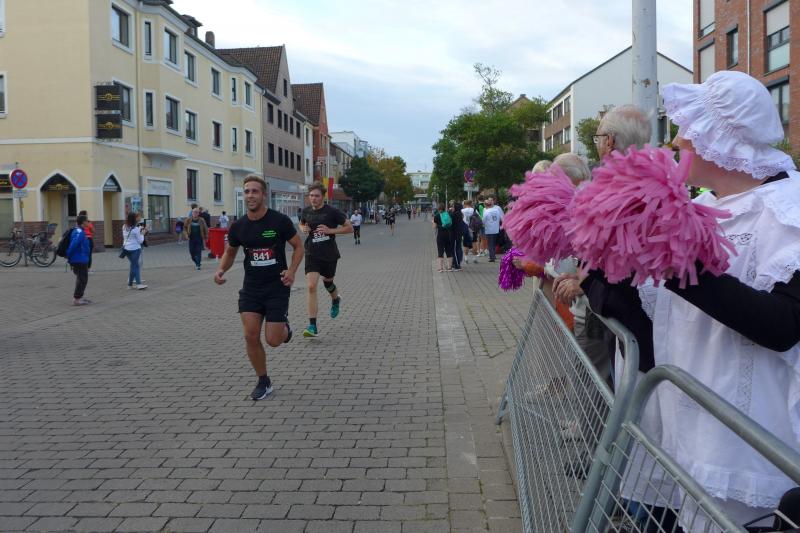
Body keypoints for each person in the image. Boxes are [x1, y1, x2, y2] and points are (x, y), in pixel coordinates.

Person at [215, 175, 304, 401]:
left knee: (273, 340)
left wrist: (292, 270)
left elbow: (298, 246)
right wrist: (221, 270)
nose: (250, 195)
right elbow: (230, 252)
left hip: (277, 288)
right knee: (250, 335)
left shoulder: (279, 221)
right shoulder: (238, 226)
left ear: (264, 195)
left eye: (255, 191)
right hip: (251, 289)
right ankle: (263, 381)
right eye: (246, 191)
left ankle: (285, 330)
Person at [299, 182, 353, 337]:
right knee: (311, 287)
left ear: (323, 197)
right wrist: (303, 228)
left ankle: (335, 300)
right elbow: (302, 224)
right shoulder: (306, 211)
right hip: (312, 253)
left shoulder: (332, 212)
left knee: (328, 282)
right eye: (311, 196)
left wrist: (331, 230)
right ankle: (312, 326)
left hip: (329, 254)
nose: (313, 198)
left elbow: (349, 228)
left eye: (316, 196)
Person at [67, 214, 91, 306]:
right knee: (82, 279)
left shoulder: (79, 231)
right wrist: (69, 256)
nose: (88, 222)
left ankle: (79, 297)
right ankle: (77, 299)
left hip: (81, 258)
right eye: (87, 221)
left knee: (81, 278)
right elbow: (73, 244)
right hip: (79, 259)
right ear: (83, 222)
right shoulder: (79, 232)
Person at [122, 212, 147, 290]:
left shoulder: (124, 226)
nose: (138, 219)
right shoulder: (136, 229)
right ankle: (138, 284)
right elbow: (140, 241)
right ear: (134, 219)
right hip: (135, 249)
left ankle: (130, 285)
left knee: (133, 265)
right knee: (135, 266)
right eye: (136, 218)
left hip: (126, 249)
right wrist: (142, 234)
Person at [433, 202, 453, 272]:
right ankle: (449, 267)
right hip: (448, 235)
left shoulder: (437, 216)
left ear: (438, 209)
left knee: (440, 251)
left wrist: (434, 223)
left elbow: (434, 227)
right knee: (449, 251)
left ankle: (440, 268)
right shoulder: (448, 214)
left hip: (440, 235)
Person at [481, 196, 503, 262]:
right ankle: (493, 255)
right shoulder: (496, 210)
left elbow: (483, 221)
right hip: (496, 229)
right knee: (493, 243)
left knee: (490, 244)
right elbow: (499, 218)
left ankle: (492, 257)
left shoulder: (486, 211)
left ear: (486, 205)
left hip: (489, 229)